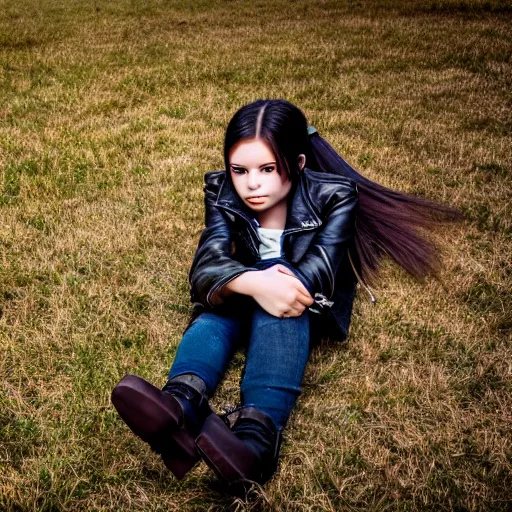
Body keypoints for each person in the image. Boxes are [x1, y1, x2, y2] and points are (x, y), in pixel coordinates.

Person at [111, 99, 458, 489]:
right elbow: (207, 265)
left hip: (299, 301)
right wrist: (254, 282)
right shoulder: (221, 191)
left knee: (283, 302)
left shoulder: (335, 196)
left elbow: (320, 272)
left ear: (298, 164)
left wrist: (263, 281)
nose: (251, 184)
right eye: (239, 170)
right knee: (214, 316)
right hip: (245, 291)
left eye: (268, 169)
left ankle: (255, 443)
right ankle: (179, 403)